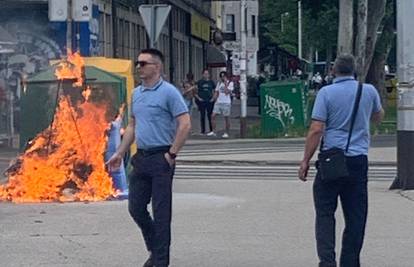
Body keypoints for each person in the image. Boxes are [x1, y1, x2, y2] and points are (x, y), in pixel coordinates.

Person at [106, 48, 191, 267]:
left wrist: (172, 154)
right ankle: (155, 248)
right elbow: (133, 125)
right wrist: (120, 152)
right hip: (141, 157)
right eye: (138, 63)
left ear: (157, 67)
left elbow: (185, 124)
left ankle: (160, 261)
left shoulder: (169, 93)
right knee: (135, 207)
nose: (139, 67)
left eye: (144, 63)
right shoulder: (137, 94)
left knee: (161, 214)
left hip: (161, 157)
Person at [298, 54, 384, 267]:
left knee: (325, 214)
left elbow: (317, 129)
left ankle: (327, 262)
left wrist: (305, 160)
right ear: (354, 71)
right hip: (358, 161)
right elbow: (378, 115)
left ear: (333, 71)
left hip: (331, 161)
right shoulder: (369, 91)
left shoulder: (325, 93)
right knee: (356, 216)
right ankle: (350, 262)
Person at [207, 71, 234, 138]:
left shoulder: (230, 83)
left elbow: (227, 92)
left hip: (226, 102)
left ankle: (227, 132)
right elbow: (216, 92)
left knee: (226, 118)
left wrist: (225, 84)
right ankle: (214, 131)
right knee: (213, 116)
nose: (222, 77)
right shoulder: (219, 83)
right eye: (221, 76)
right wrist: (213, 99)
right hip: (218, 102)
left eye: (224, 76)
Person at [195, 69, 215, 135]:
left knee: (210, 116)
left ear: (209, 75)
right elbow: (195, 92)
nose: (206, 75)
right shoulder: (199, 82)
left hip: (209, 101)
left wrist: (213, 98)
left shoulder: (211, 82)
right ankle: (203, 131)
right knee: (202, 116)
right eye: (205, 74)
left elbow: (215, 91)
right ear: (203, 74)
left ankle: (211, 130)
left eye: (207, 74)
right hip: (202, 101)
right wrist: (199, 98)